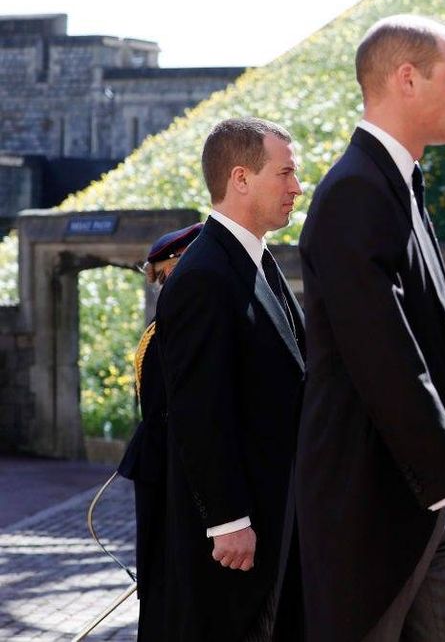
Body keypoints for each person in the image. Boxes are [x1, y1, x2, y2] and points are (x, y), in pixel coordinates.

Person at [295, 14, 445, 642]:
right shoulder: (355, 192)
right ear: (407, 79)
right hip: (370, 505)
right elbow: (384, 357)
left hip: (423, 502)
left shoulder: (397, 183)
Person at [153, 116, 306, 641]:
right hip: (237, 536)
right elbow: (199, 409)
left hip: (276, 512)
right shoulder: (204, 275)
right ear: (241, 178)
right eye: (285, 173)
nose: (296, 187)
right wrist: (228, 520)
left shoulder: (253, 259)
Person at [117, 221, 202, 641]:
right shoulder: (169, 323)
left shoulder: (173, 321)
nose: (165, 285)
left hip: (166, 460)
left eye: (168, 275)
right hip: (160, 461)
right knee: (160, 573)